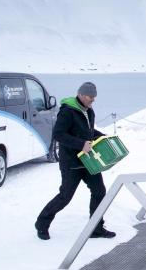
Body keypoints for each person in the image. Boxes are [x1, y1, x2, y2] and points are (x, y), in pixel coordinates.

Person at [35, 82, 116, 240]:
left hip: (88, 161)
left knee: (99, 191)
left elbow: (88, 131)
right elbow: (59, 134)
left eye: (94, 99)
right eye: (90, 98)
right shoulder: (67, 111)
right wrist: (80, 144)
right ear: (80, 95)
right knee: (65, 197)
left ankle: (96, 228)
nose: (92, 101)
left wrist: (102, 136)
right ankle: (41, 223)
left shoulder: (88, 110)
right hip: (71, 163)